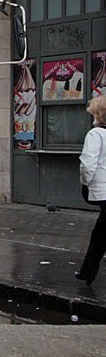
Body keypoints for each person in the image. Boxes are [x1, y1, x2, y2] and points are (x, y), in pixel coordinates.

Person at [76, 96, 106, 286]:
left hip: (103, 190)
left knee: (101, 233)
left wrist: (86, 183)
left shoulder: (96, 135)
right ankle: (88, 271)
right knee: (100, 232)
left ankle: (88, 271)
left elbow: (88, 164)